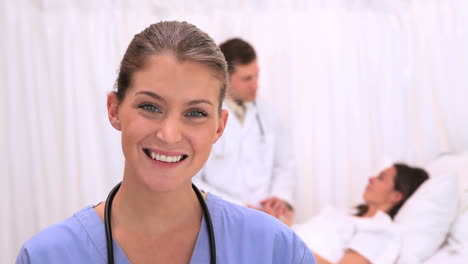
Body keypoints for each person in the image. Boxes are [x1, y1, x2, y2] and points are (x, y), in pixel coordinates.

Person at [15, 21, 315, 263]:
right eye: (150, 106)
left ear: (219, 127)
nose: (169, 134)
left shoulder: (276, 250)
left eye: (196, 112)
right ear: (114, 109)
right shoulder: (47, 255)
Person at [193, 38, 296, 220]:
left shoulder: (268, 113)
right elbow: (192, 179)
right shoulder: (201, 115)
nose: (256, 84)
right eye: (247, 78)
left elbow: (284, 164)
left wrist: (279, 197)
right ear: (224, 78)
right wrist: (240, 207)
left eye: (257, 75)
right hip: (220, 216)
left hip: (265, 215)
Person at [289, 163, 429, 264]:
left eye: (381, 178)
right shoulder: (345, 214)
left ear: (396, 196)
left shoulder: (380, 229)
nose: (371, 179)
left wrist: (289, 249)